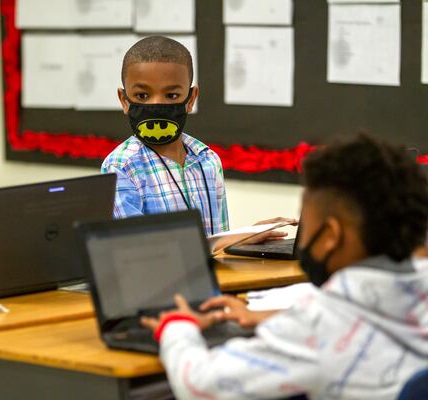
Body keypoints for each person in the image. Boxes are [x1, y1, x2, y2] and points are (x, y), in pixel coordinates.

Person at [142, 134, 428, 399]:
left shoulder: (315, 329)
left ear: (331, 235)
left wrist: (176, 326)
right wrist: (270, 316)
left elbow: (198, 384)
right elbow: (363, 316)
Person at [101, 36, 293, 238]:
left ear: (191, 99)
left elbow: (217, 245)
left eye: (172, 96)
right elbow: (137, 251)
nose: (157, 104)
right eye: (142, 96)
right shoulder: (120, 167)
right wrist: (231, 241)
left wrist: (243, 239)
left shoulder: (208, 160)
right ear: (124, 100)